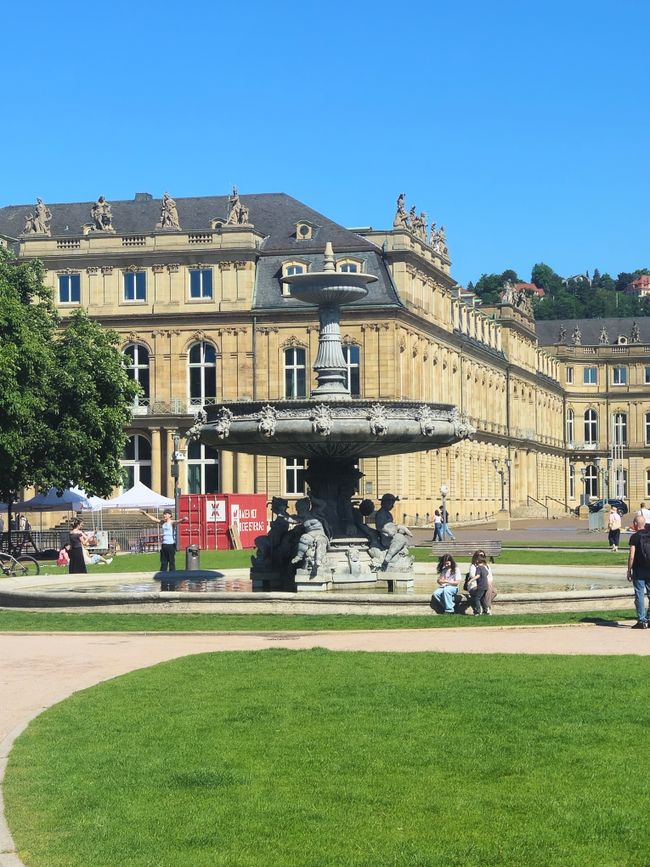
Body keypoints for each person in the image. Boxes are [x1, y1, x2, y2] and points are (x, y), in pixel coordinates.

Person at [627, 514, 650, 629]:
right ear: (644, 524)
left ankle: (641, 621)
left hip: (639, 568)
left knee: (639, 594)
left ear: (635, 524)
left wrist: (629, 569)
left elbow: (632, 556)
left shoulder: (634, 537)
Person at [466, 549, 496, 614]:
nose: (481, 557)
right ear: (475, 557)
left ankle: (485, 607)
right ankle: (487, 608)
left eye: (482, 555)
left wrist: (488, 582)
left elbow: (490, 577)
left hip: (485, 585)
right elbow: (473, 576)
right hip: (475, 586)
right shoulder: (473, 566)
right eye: (479, 555)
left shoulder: (487, 566)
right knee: (488, 590)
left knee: (494, 592)